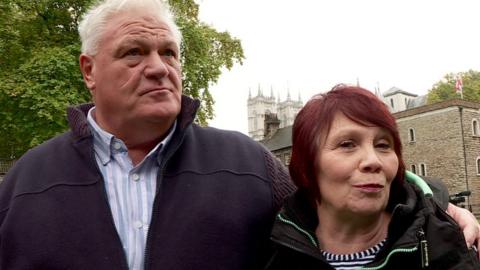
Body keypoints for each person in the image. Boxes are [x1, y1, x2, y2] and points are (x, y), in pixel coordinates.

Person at [0, 1, 477, 269]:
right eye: (134, 53)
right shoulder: (26, 180)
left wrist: (438, 205)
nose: (158, 68)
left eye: (169, 52)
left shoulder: (246, 161)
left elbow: (336, 199)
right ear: (89, 70)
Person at [264, 85, 480, 269]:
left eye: (383, 145)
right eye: (347, 144)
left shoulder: (448, 242)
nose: (373, 160)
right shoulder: (273, 249)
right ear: (307, 165)